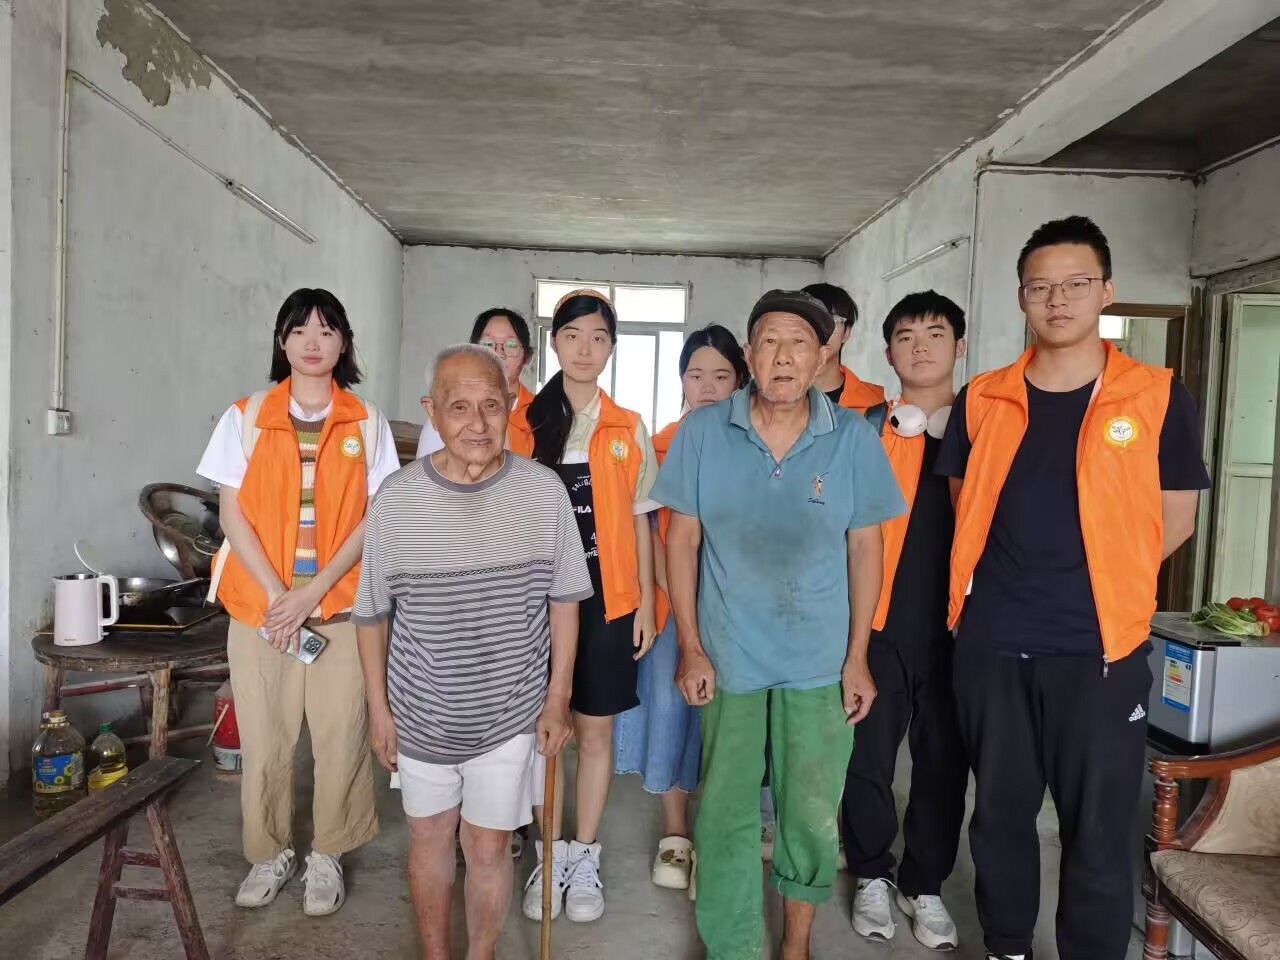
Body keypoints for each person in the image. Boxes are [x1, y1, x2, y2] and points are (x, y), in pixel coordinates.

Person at [936, 216, 1210, 960]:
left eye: (1076, 283)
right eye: (1041, 287)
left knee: (1097, 826)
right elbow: (966, 504)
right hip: (993, 645)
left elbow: (1176, 517)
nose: (1058, 300)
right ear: (1021, 297)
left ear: (1106, 291)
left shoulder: (1156, 395)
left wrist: (1104, 575)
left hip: (1101, 650)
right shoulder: (984, 397)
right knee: (999, 815)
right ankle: (1008, 946)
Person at [655, 289, 905, 960]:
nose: (784, 356)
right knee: (725, 809)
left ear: (822, 356)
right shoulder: (705, 432)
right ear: (749, 354)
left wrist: (858, 657)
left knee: (810, 812)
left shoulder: (851, 437)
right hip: (729, 655)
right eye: (769, 341)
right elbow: (681, 539)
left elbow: (866, 548)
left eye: (799, 343)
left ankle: (795, 944)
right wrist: (691, 646)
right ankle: (732, 947)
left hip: (819, 658)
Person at [353, 345, 591, 960]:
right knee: (429, 839)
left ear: (511, 404)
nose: (478, 423)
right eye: (459, 407)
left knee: (488, 845)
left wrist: (558, 698)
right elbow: (372, 613)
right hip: (420, 710)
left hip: (510, 710)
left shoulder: (542, 493)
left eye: (491, 405)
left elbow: (565, 600)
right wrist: (379, 710)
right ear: (432, 411)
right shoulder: (397, 500)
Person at [196, 288, 399, 916]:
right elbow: (232, 513)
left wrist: (312, 590)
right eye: (300, 330)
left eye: (327, 330)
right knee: (266, 737)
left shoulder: (367, 422)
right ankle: (269, 853)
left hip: (339, 607)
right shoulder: (246, 416)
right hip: (262, 610)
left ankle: (327, 854)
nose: (314, 341)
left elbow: (376, 517)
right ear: (282, 342)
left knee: (341, 736)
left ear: (344, 343)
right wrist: (278, 596)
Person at [508, 289, 660, 924]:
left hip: (608, 599)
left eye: (598, 338)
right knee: (547, 732)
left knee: (595, 732)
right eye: (572, 336)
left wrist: (646, 602)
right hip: (534, 602)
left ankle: (584, 855)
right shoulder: (523, 423)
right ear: (554, 343)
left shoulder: (627, 426)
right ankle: (548, 855)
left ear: (612, 348)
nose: (585, 349)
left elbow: (643, 519)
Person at [843, 291, 970, 951]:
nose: (920, 347)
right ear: (888, 352)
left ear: (960, 347)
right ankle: (871, 872)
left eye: (935, 333)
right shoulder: (868, 429)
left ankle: (925, 884)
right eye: (905, 336)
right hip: (880, 623)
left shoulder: (987, 430)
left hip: (959, 630)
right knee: (867, 758)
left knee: (943, 762)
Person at [613, 324, 750, 891]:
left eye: (721, 376)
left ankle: (718, 833)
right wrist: (675, 595)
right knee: (672, 705)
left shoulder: (756, 447)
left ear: (740, 382)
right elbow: (646, 532)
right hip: (672, 600)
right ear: (681, 382)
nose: (708, 387)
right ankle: (676, 832)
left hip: (739, 603)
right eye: (697, 376)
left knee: (729, 716)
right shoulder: (658, 447)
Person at [417, 307, 535, 457]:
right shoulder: (445, 416)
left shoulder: (542, 414)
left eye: (511, 345)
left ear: (527, 357)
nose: (498, 353)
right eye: (487, 344)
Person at [803, 282, 885, 412]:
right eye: (808, 320)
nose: (819, 331)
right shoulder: (773, 397)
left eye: (831, 321)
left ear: (846, 333)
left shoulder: (876, 403)